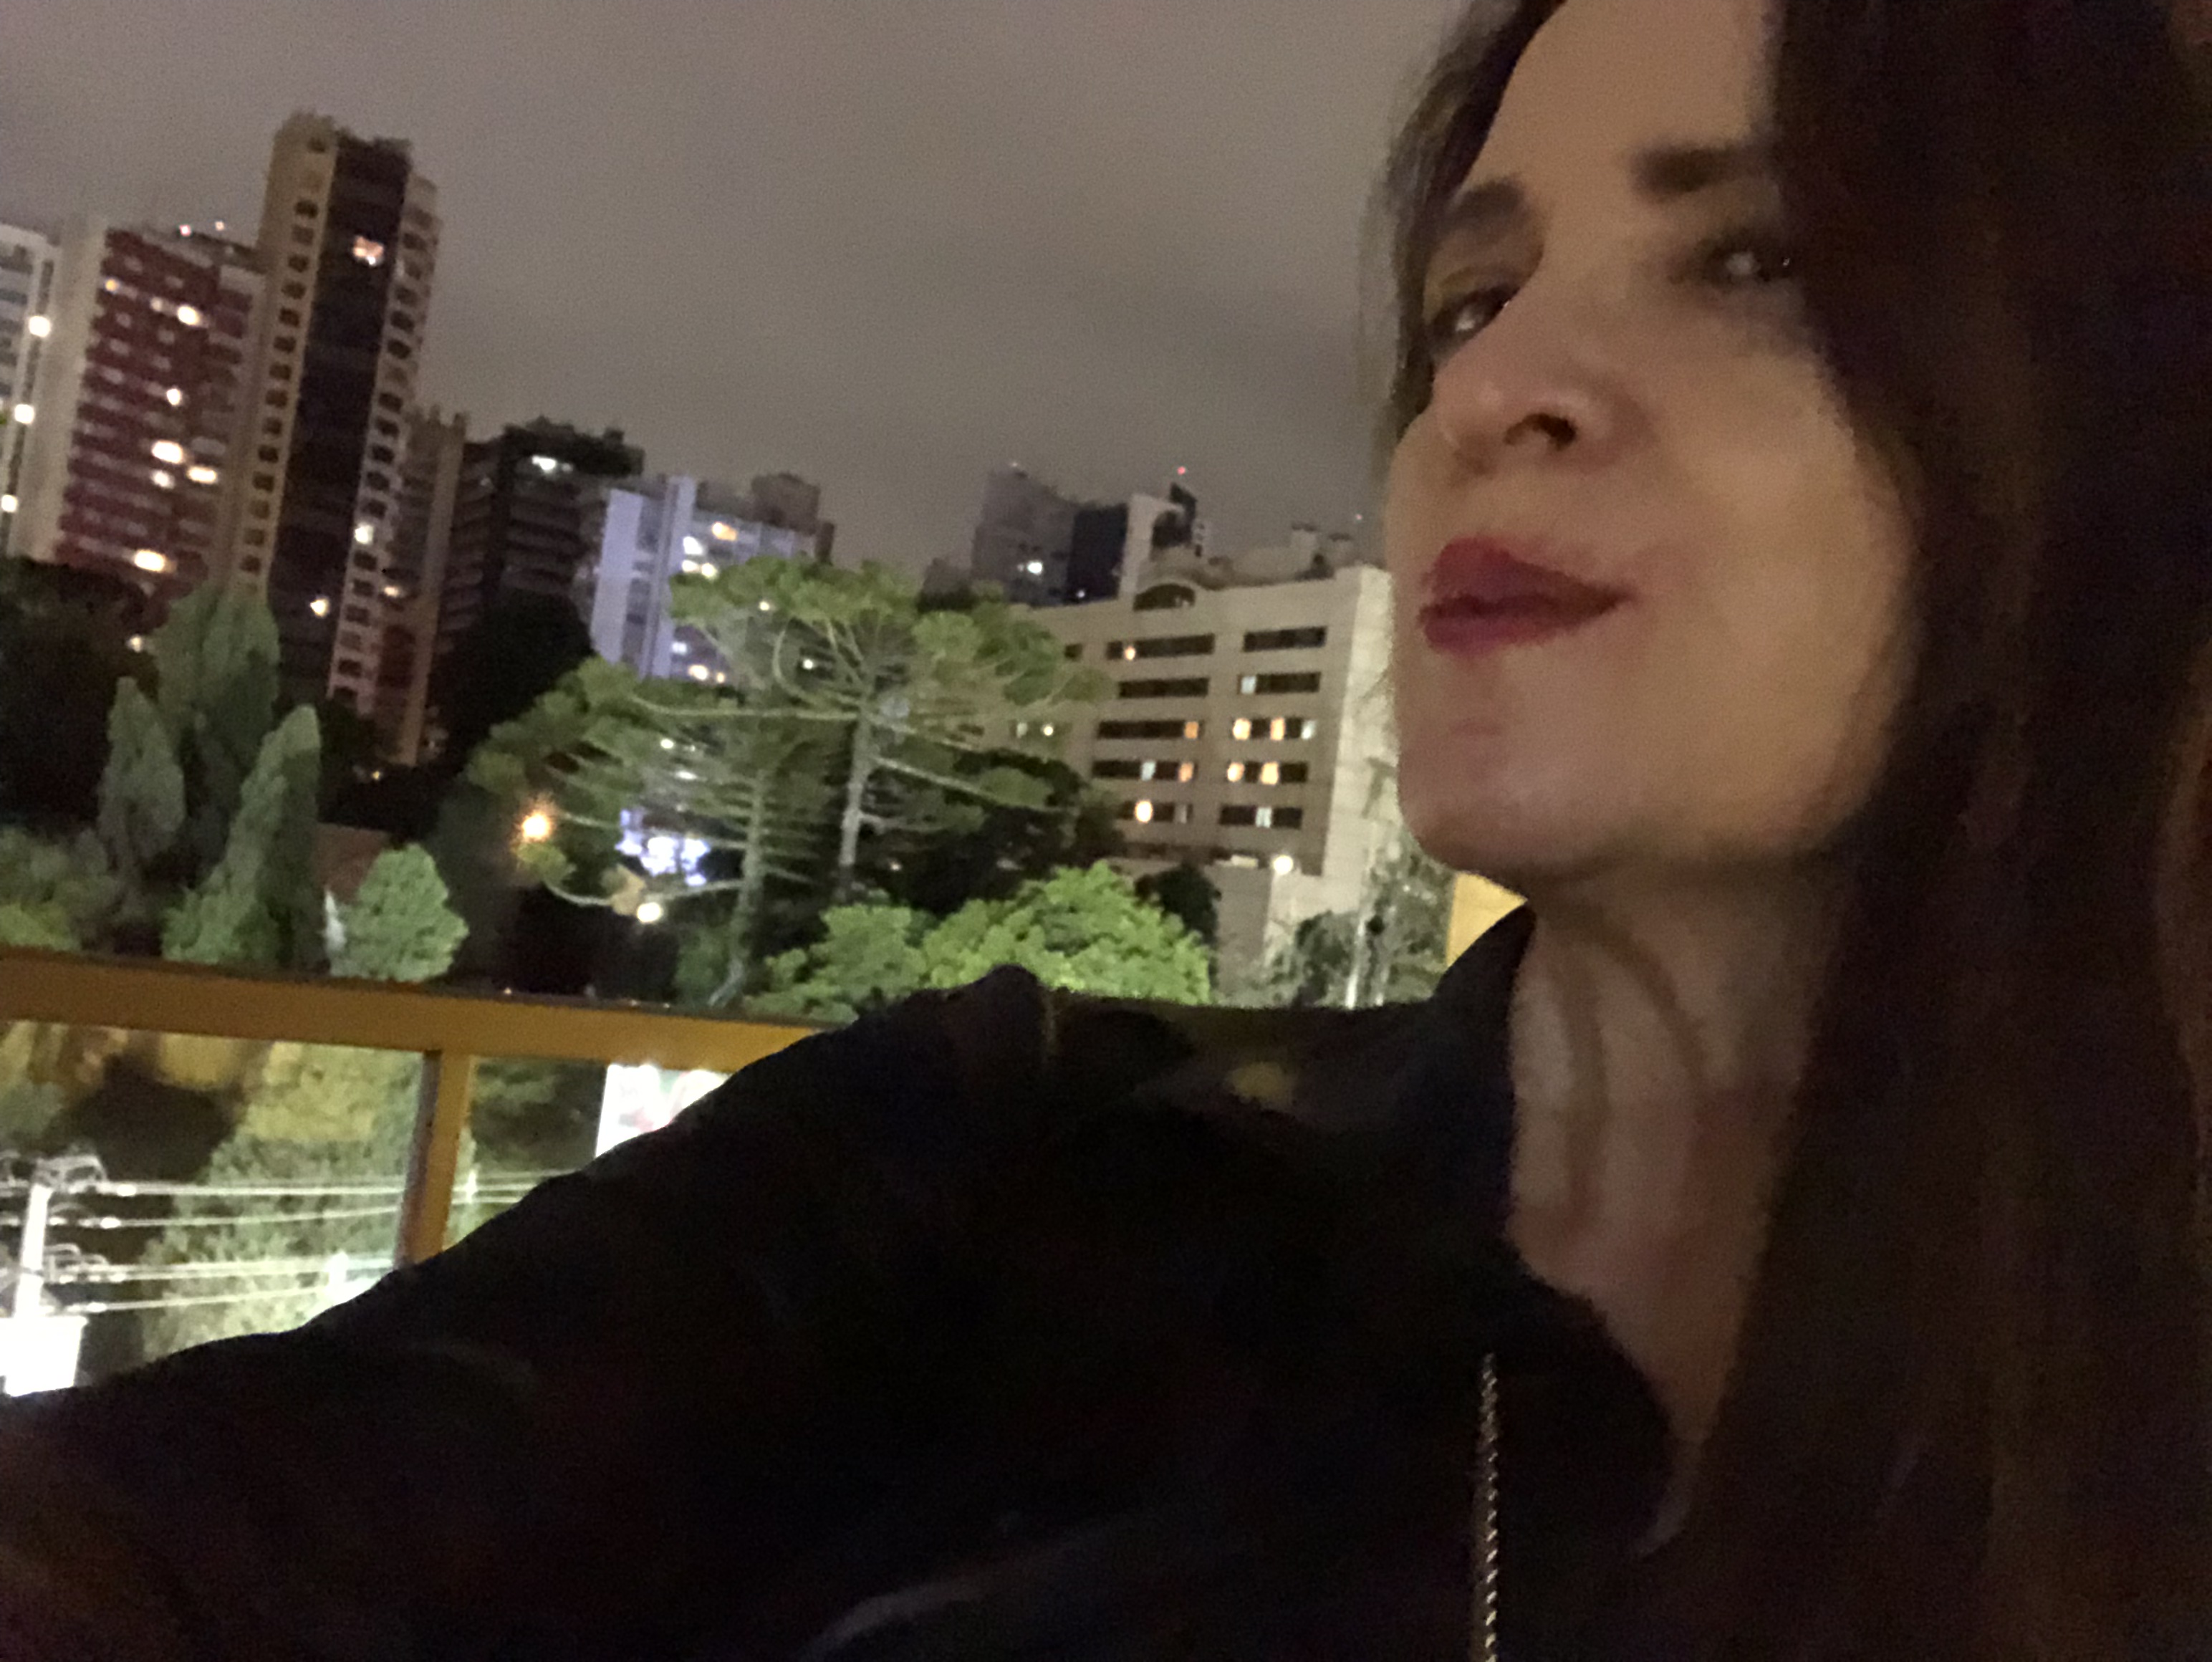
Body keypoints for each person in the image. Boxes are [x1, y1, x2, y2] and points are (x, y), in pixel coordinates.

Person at [4, 0, 2209, 1653]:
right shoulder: (1022, 1171)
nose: (1488, 391)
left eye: (1752, 262)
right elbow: (232, 1523)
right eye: (1472, 297)